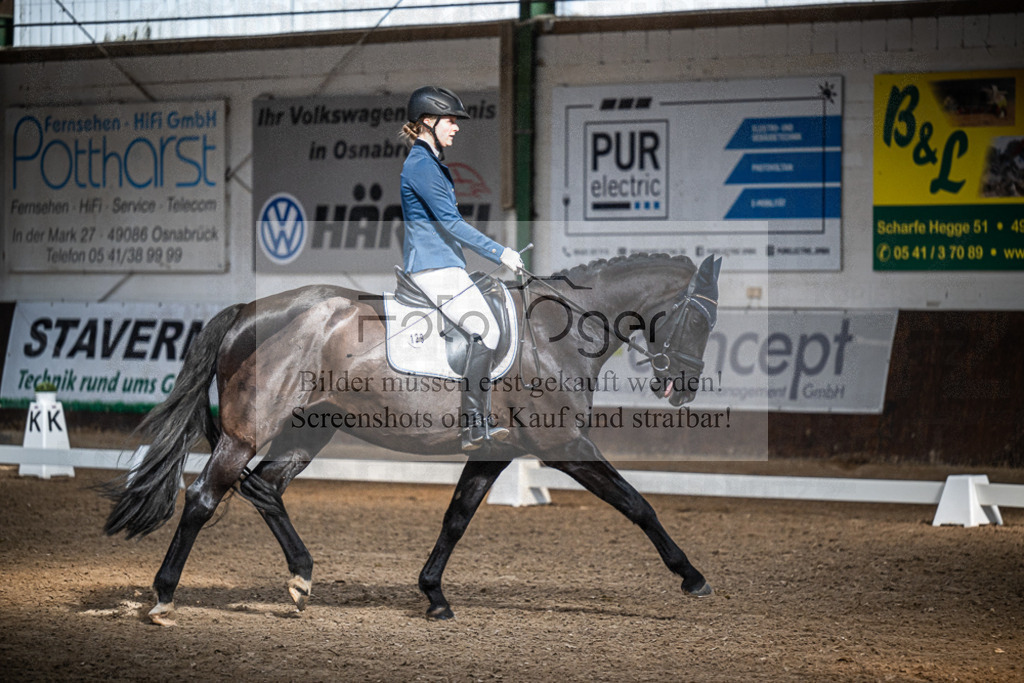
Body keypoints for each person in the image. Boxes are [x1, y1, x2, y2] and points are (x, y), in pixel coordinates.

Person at [398, 85, 524, 451]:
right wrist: (500, 252)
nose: (456, 128)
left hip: (445, 265)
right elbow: (452, 225)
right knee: (485, 333)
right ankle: (474, 425)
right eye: (450, 121)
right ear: (427, 122)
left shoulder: (432, 163)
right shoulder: (421, 165)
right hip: (433, 267)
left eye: (456, 121)